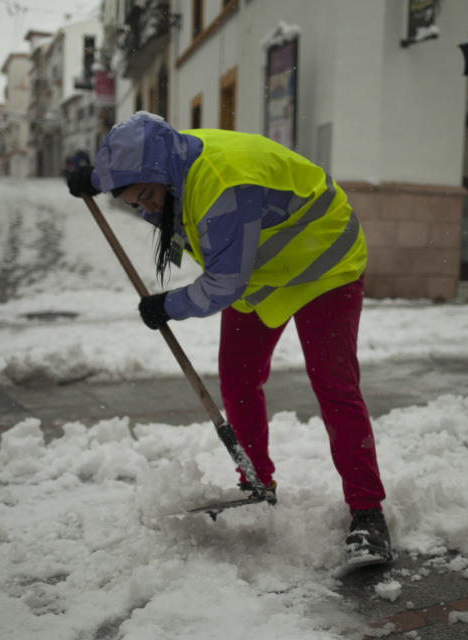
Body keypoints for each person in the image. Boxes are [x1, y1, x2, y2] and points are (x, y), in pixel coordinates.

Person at [67, 112, 391, 564]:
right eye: (135, 201)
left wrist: (168, 306)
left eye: (147, 198)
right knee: (238, 377)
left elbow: (222, 285)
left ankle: (368, 513)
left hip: (323, 261)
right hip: (260, 268)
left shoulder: (221, 187)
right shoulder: (168, 163)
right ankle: (257, 482)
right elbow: (136, 182)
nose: (148, 209)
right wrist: (96, 182)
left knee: (333, 384)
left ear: (161, 175)